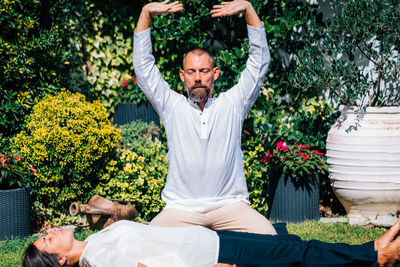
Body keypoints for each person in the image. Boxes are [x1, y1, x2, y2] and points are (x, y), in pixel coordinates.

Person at [133, 0, 276, 235]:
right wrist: (145, 12)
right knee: (149, 244)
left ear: (215, 74)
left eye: (204, 71)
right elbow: (143, 66)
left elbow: (259, 64)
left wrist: (249, 10)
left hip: (230, 207)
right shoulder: (171, 106)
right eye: (191, 72)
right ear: (182, 75)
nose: (197, 77)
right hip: (181, 210)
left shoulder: (232, 104)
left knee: (270, 240)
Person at [23, 218, 400, 267]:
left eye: (44, 234)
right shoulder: (100, 258)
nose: (50, 232)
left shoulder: (96, 242)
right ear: (57, 262)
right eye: (46, 241)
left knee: (293, 247)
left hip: (211, 240)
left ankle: (371, 252)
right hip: (211, 255)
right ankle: (375, 256)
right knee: (294, 255)